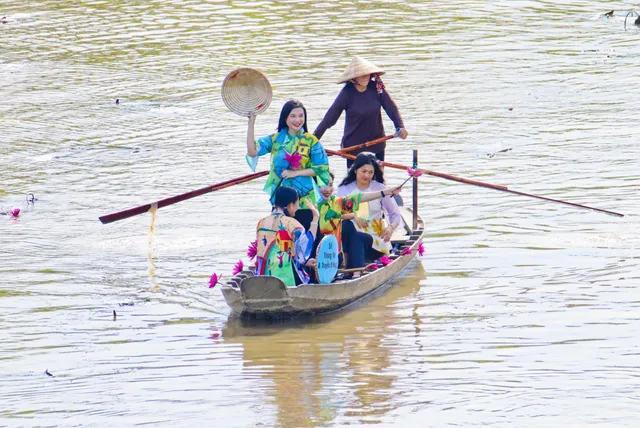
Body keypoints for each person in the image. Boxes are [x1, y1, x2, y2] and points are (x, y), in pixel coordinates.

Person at [247, 99, 330, 230]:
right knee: (282, 241)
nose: (297, 120)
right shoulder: (275, 139)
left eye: (301, 116)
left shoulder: (311, 141)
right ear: (285, 118)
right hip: (281, 199)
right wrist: (251, 123)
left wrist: (295, 173)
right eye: (293, 116)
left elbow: (321, 169)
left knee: (307, 239)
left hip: (304, 199)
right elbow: (252, 152)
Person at [313, 56, 409, 168]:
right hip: (354, 147)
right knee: (354, 183)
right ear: (354, 78)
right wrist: (313, 140)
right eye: (361, 75)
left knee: (378, 182)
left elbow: (391, 108)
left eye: (367, 74)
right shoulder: (346, 93)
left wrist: (400, 127)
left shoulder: (377, 89)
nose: (365, 77)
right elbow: (329, 119)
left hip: (377, 143)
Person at [317, 171, 401, 269]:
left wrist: (385, 192)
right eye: (323, 185)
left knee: (349, 227)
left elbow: (358, 198)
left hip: (332, 253)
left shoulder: (336, 202)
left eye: (330, 185)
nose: (327, 190)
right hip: (315, 252)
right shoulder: (309, 205)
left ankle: (354, 272)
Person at [337, 153, 405, 265]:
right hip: (349, 236)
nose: (367, 175)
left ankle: (355, 272)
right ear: (355, 170)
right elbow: (337, 213)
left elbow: (395, 215)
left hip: (375, 240)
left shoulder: (380, 189)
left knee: (358, 237)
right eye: (363, 171)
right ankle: (349, 265)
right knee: (347, 225)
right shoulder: (344, 189)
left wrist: (390, 228)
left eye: (370, 172)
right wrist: (354, 216)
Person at [254, 186, 319, 287]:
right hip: (285, 277)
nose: (297, 209)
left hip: (262, 276)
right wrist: (315, 217)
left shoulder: (261, 223)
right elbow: (305, 248)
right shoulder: (291, 223)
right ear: (290, 205)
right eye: (296, 205)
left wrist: (304, 262)